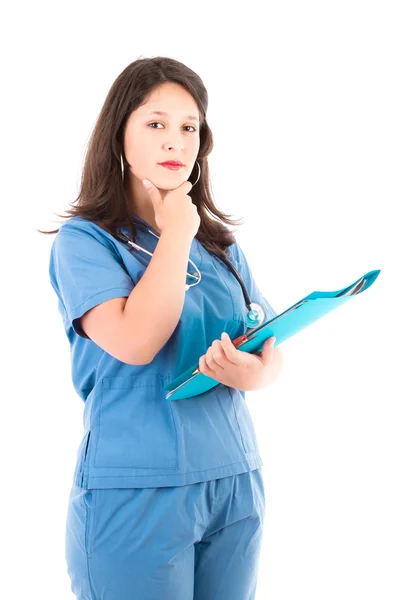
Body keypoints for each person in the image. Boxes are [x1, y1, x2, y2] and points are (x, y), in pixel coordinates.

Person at [43, 56, 284, 600]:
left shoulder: (219, 244)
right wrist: (175, 230)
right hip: (137, 488)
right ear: (118, 136)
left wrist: (255, 374)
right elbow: (136, 341)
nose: (175, 141)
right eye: (155, 124)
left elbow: (268, 338)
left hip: (234, 482)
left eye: (188, 127)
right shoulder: (86, 242)